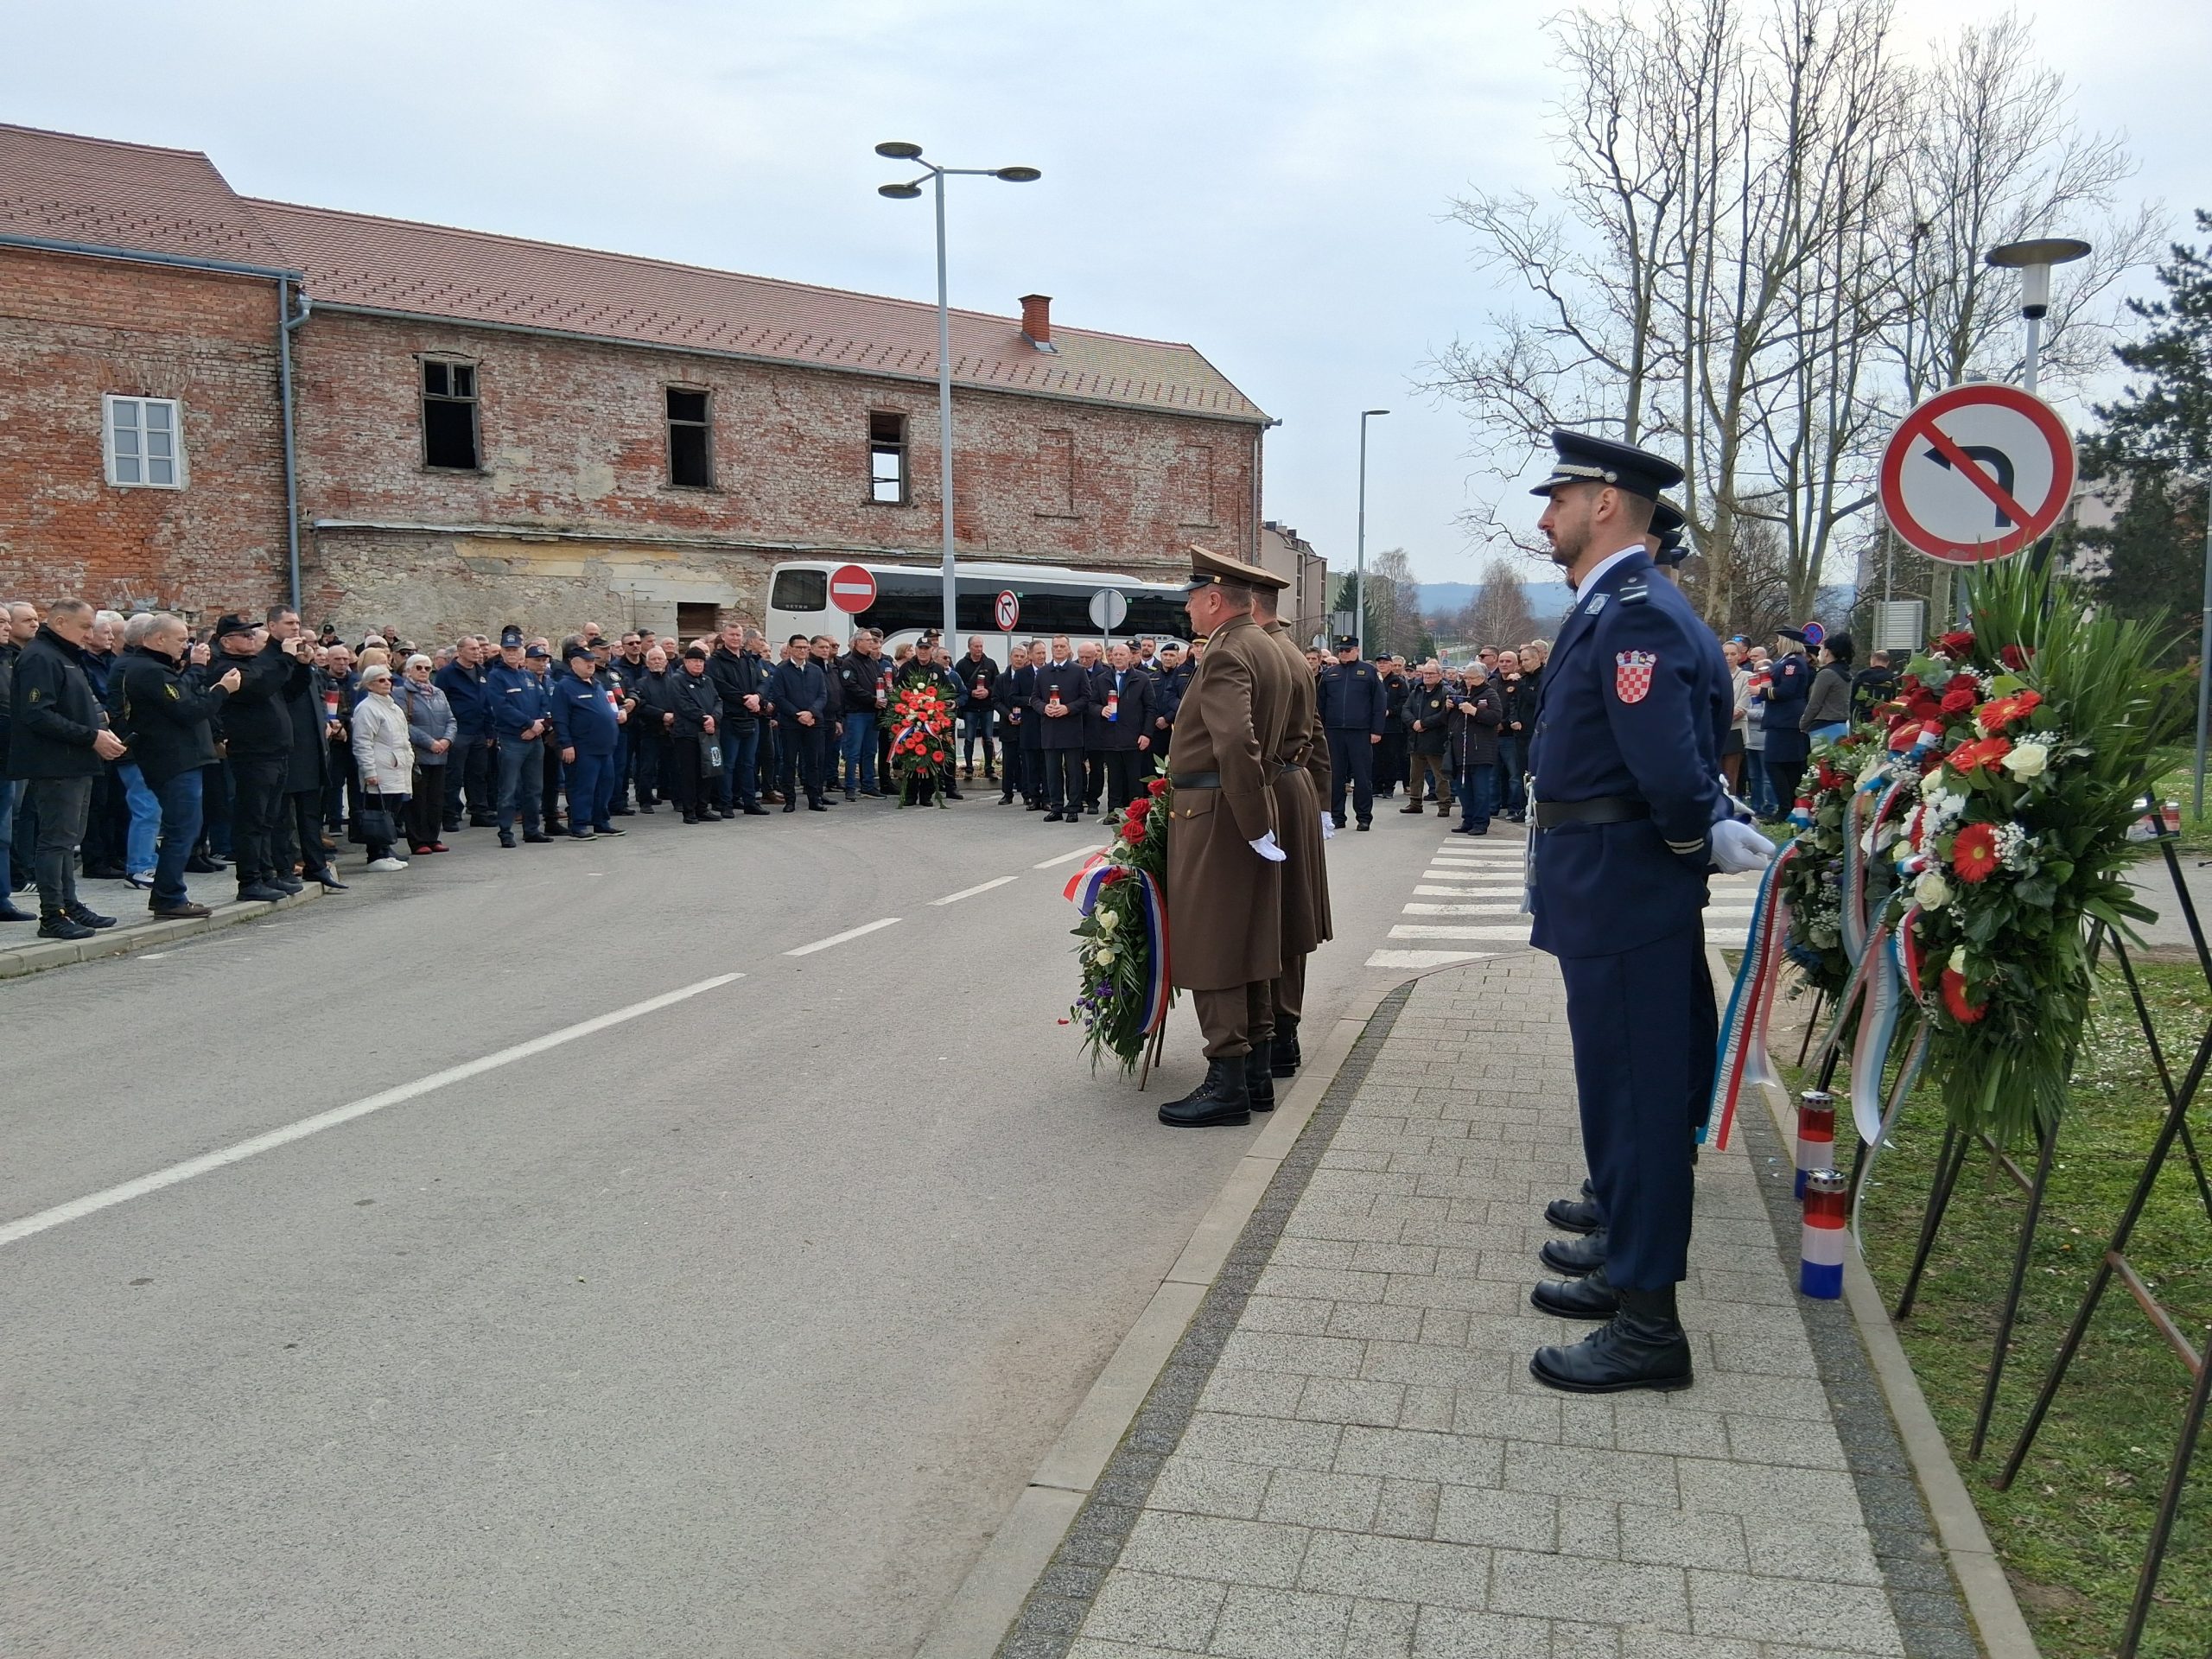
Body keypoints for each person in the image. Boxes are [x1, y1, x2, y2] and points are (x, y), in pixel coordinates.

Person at [1520, 429, 1766, 1394]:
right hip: (1614, 885)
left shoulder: (1636, 613)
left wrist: (1693, 838)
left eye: (1559, 499)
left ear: (1606, 504)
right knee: (1625, 1094)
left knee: (1635, 1103)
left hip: (1622, 885)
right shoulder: (1620, 604)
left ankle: (1649, 1327)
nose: (1547, 517)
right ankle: (1627, 1262)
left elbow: (1667, 767)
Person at [1158, 546, 1297, 1128]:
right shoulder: (1265, 645)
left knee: (1213, 945)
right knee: (1250, 943)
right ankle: (1256, 1074)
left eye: (1192, 599)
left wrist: (1252, 821)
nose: (1188, 610)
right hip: (1240, 807)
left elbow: (1236, 742)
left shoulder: (1226, 652)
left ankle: (1227, 1083)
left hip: (1217, 813)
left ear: (1214, 599)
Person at [4, 599, 125, 938]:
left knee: (68, 840)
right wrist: (91, 736)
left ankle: (69, 905)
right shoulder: (40, 657)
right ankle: (52, 914)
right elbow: (37, 714)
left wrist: (100, 732)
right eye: (85, 627)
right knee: (55, 841)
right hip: (55, 764)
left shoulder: (65, 656)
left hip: (77, 761)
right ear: (60, 622)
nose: (89, 635)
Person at [1252, 577, 1332, 1090]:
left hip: (1273, 787)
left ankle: (1275, 1032)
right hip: (1293, 783)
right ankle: (1285, 1032)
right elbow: (1316, 732)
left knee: (1273, 915)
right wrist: (1320, 797)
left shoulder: (1266, 654)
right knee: (1291, 914)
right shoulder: (1290, 653)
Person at [112, 610, 238, 918]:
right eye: (181, 639)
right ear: (158, 639)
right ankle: (169, 896)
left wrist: (196, 674)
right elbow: (187, 709)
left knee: (185, 827)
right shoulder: (149, 671)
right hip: (173, 760)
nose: (185, 645)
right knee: (181, 829)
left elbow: (182, 696)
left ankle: (167, 893)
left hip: (180, 758)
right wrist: (221, 689)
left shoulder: (157, 668)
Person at [213, 612, 297, 903]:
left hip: (275, 751)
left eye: (252, 634)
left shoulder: (253, 663)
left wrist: (299, 665)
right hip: (253, 753)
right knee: (252, 819)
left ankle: (266, 873)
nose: (251, 639)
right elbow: (261, 688)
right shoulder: (226, 668)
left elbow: (286, 689)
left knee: (268, 819)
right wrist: (286, 658)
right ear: (227, 641)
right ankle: (249, 880)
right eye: (245, 635)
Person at [486, 626, 553, 847]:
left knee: (534, 788)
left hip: (535, 738)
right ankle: (505, 832)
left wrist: (538, 726)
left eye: (515, 649)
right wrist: (529, 723)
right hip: (512, 739)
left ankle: (532, 830)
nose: (512, 653)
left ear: (522, 650)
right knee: (509, 789)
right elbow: (501, 707)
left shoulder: (528, 676)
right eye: (508, 649)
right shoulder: (496, 677)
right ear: (502, 651)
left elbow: (544, 702)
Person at [550, 639, 622, 840]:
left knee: (604, 787)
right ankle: (579, 824)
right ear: (574, 663)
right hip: (583, 747)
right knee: (583, 787)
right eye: (586, 661)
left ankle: (601, 822)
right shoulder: (565, 686)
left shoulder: (597, 684)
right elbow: (560, 718)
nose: (591, 664)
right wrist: (566, 744)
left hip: (604, 746)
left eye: (592, 661)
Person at [349, 663, 415, 871]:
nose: (387, 683)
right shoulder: (366, 708)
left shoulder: (393, 707)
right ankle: (375, 855)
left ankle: (386, 850)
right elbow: (362, 742)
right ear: (370, 684)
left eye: (389, 680)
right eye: (381, 680)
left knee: (391, 812)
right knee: (377, 812)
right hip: (380, 767)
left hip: (397, 766)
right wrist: (369, 771)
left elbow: (403, 737)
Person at [1317, 636, 1385, 830]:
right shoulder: (1330, 673)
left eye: (1348, 650)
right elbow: (1320, 704)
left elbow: (1379, 703)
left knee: (1362, 777)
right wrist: (1320, 730)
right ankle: (1337, 816)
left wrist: (1376, 730)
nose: (1344, 654)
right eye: (1341, 650)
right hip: (1334, 732)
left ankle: (1363, 817)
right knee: (1335, 776)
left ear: (1357, 651)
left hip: (1360, 732)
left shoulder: (1369, 672)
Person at [1088, 642, 1155, 820]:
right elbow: (1091, 703)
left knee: (1134, 779)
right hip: (1110, 737)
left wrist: (1147, 734)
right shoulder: (1102, 679)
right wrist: (1100, 710)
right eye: (1115, 654)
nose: (1118, 658)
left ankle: (1136, 815)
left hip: (1134, 738)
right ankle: (1114, 812)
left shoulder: (1142, 679)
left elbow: (1150, 708)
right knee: (1114, 778)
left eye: (1122, 654)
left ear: (1130, 657)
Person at [434, 636, 494, 829]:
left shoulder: (482, 672)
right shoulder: (447, 674)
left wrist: (489, 731)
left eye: (478, 649)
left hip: (479, 730)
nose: (478, 652)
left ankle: (479, 812)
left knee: (478, 774)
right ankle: (450, 814)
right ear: (460, 651)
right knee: (454, 775)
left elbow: (487, 702)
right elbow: (439, 702)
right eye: (472, 649)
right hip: (457, 730)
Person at [397, 654, 454, 855]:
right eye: (419, 667)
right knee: (418, 800)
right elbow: (404, 723)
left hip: (440, 753)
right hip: (418, 753)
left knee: (436, 799)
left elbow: (451, 720)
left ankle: (432, 837)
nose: (423, 672)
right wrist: (430, 743)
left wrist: (447, 740)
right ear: (409, 670)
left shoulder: (438, 693)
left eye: (427, 668)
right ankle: (418, 840)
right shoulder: (401, 693)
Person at [767, 632, 832, 810]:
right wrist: (798, 715)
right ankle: (790, 800)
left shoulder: (816, 670)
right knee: (789, 762)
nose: (802, 651)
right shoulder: (782, 671)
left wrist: (811, 713)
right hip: (791, 723)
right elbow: (779, 697)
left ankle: (814, 799)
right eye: (798, 647)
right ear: (790, 649)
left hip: (814, 722)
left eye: (805, 647)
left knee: (813, 762)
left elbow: (822, 695)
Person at [0, 600, 36, 921]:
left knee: (5, 829)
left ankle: (2, 899)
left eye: (7, 622)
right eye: (1, 622)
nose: (7, 628)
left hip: (9, 756)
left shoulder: (12, 660)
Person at [1030, 635, 1090, 823]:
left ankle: (1073, 807)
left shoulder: (1078, 671)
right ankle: (1056, 807)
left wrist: (1068, 708)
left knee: (1073, 771)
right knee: (1052, 772)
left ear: (1068, 648)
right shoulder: (1043, 672)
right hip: (1050, 729)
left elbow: (1086, 697)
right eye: (1055, 646)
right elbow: (1034, 698)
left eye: (1062, 646)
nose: (1058, 649)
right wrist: (1044, 708)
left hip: (1071, 728)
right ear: (1051, 649)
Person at [1757, 626, 1815, 815]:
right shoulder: (1786, 661)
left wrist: (1762, 692)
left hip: (1786, 719)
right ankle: (1788, 806)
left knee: (1776, 763)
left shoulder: (1793, 663)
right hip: (1781, 719)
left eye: (1779, 640)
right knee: (1784, 764)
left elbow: (1787, 691)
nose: (1776, 644)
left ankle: (1786, 807)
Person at [666, 645, 723, 823]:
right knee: (689, 774)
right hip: (687, 734)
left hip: (708, 733)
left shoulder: (707, 680)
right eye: (694, 661)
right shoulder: (677, 680)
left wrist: (714, 717)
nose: (698, 664)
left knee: (707, 771)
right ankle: (689, 810)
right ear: (686, 662)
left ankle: (702, 808)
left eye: (701, 661)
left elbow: (718, 701)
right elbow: (683, 705)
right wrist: (704, 718)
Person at [1450, 662, 1503, 835]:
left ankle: (1480, 823)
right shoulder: (1461, 693)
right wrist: (1448, 708)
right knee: (1463, 789)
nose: (1467, 681)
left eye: (1471, 678)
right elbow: (1449, 721)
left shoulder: (1489, 693)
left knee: (1480, 790)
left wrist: (1474, 711)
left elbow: (1496, 717)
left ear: (1481, 678)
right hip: (1461, 749)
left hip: (1481, 749)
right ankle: (1468, 819)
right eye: (1465, 678)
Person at [836, 630, 887, 799]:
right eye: (868, 640)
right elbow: (851, 687)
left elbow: (879, 683)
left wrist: (883, 696)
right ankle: (850, 787)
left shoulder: (872, 662)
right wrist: (873, 699)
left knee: (870, 751)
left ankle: (868, 785)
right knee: (853, 752)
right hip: (857, 713)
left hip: (873, 712)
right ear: (858, 643)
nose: (872, 643)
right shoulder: (849, 663)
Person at [1400, 660, 1453, 817]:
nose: (1427, 676)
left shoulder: (1445, 692)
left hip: (1436, 740)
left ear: (1440, 675)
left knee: (1440, 776)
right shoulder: (1417, 691)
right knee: (1415, 775)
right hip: (1416, 740)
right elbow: (1405, 710)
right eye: (1425, 673)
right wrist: (1414, 723)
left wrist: (1423, 723)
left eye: (1431, 673)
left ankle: (1444, 805)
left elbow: (1444, 715)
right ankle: (1415, 802)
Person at [952, 635, 1000, 783]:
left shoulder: (990, 664)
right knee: (969, 739)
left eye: (981, 646)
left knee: (988, 739)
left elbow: (997, 684)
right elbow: (958, 686)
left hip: (987, 707)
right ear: (969, 647)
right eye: (976, 646)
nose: (979, 649)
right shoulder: (961, 665)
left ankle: (989, 769)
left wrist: (988, 692)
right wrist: (971, 692)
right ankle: (969, 769)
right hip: (970, 708)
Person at [1801, 632, 1856, 744]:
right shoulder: (1845, 672)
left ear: (1826, 652)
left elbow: (1815, 704)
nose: (1820, 653)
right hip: (1841, 726)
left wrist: (1803, 724)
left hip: (1823, 728)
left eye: (1821, 649)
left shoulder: (1826, 674)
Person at [998, 639, 1033, 805]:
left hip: (1026, 725)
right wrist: (1007, 714)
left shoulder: (1030, 677)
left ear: (1026, 658)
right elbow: (996, 700)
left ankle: (1027, 794)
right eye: (1016, 656)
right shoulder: (1001, 679)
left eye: (1022, 656)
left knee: (1027, 763)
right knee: (1009, 762)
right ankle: (1007, 793)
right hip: (1008, 725)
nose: (1019, 659)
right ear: (1010, 657)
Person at [1850, 647, 1898, 722]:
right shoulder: (1893, 680)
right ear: (1888, 663)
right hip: (1882, 720)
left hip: (1860, 718)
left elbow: (1851, 695)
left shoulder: (1861, 676)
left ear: (1873, 660)